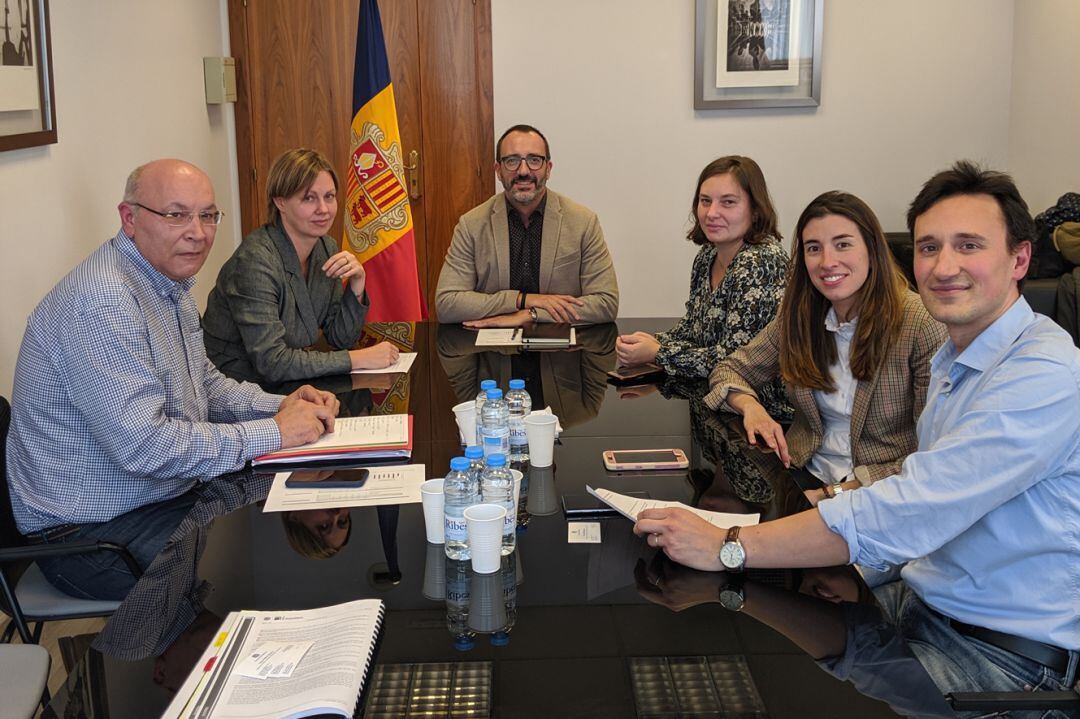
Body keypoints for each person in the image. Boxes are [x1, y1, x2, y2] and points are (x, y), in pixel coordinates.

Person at [634, 161, 1080, 699]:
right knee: (743, 643)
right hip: (915, 595)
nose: (943, 266)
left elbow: (910, 504)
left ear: (1020, 259)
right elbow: (735, 367)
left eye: (969, 246)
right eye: (929, 247)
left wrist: (728, 544)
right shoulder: (957, 358)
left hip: (998, 657)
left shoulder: (1041, 373)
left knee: (768, 660)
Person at [6, 159, 340, 600]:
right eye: (176, 215)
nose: (198, 233)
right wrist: (273, 432)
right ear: (130, 219)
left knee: (285, 498)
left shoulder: (167, 281)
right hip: (86, 534)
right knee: (234, 575)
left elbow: (205, 383)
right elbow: (146, 448)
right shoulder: (105, 303)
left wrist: (279, 405)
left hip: (156, 495)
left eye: (207, 216)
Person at [706, 191, 946, 503]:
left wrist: (836, 494)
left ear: (872, 251)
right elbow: (729, 370)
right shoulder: (799, 315)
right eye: (813, 249)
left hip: (881, 492)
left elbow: (934, 451)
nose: (827, 262)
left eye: (843, 244)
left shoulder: (920, 323)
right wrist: (751, 407)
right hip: (802, 473)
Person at [202, 148, 398, 385]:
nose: (323, 209)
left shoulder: (326, 248)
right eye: (309, 198)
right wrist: (358, 359)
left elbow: (340, 338)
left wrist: (357, 285)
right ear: (280, 202)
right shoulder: (255, 262)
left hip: (288, 382)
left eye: (329, 196)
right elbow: (272, 362)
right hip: (238, 389)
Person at [616, 156, 789, 395]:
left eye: (728, 202)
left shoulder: (762, 262)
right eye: (705, 201)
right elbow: (693, 328)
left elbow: (735, 360)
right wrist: (651, 341)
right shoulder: (707, 254)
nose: (711, 213)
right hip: (712, 398)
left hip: (758, 408)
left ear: (756, 210)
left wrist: (657, 353)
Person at [434, 124, 619, 327]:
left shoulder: (583, 222)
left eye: (534, 160)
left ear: (548, 169)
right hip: (493, 354)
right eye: (512, 161)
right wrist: (522, 299)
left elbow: (606, 302)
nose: (523, 171)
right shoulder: (471, 225)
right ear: (498, 171)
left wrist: (531, 314)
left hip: (561, 354)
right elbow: (447, 304)